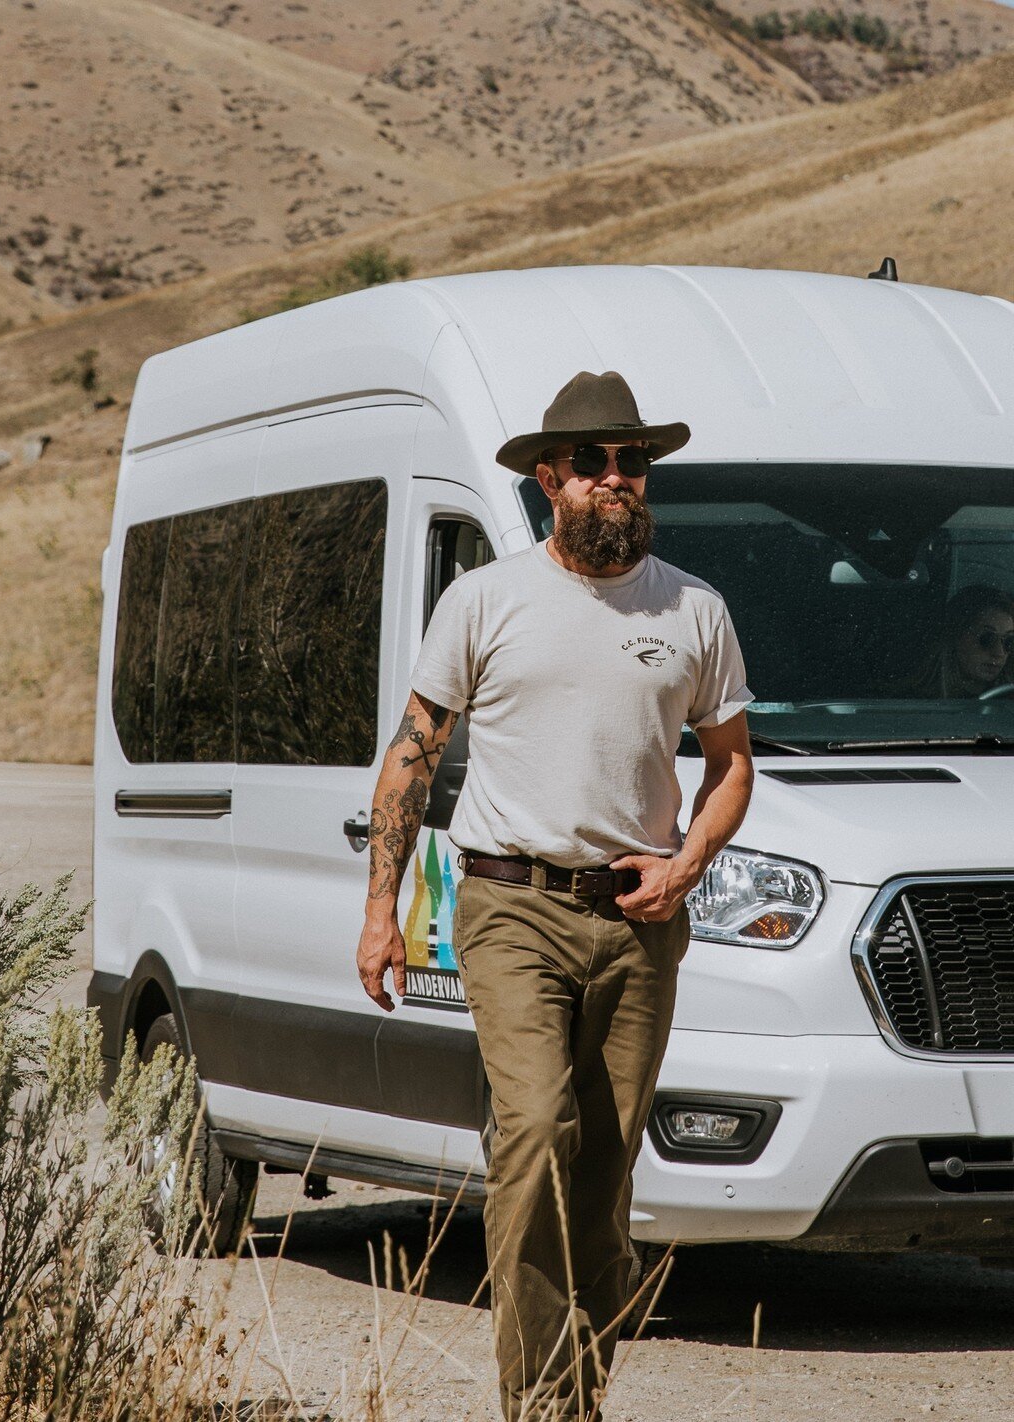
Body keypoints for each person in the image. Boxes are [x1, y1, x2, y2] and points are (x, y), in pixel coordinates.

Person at [355, 370, 755, 1422]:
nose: (614, 479)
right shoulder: (483, 600)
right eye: (591, 463)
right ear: (548, 480)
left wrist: (683, 868)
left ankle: (573, 1381)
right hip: (506, 904)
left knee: (606, 1172)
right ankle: (541, 1405)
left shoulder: (694, 610)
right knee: (533, 1132)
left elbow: (730, 767)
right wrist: (379, 913)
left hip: (638, 920)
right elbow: (408, 757)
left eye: (630, 462)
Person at [900, 583, 1014, 698]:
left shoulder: (1008, 702)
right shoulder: (910, 703)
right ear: (956, 635)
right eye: (987, 638)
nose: (999, 653)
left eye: (1009, 641)